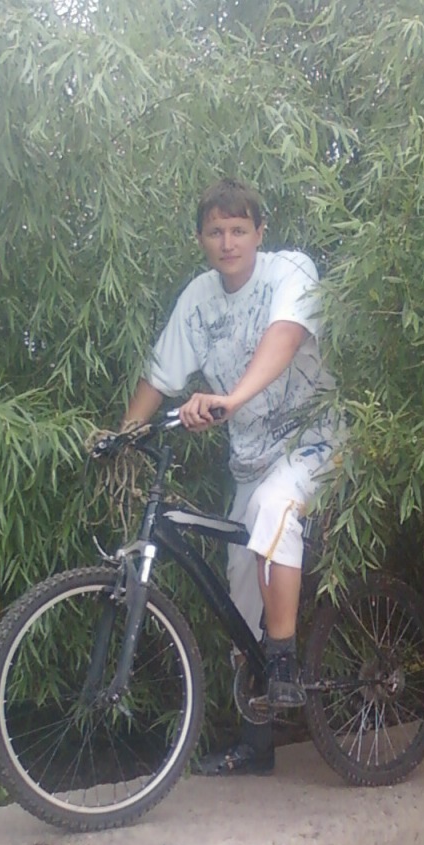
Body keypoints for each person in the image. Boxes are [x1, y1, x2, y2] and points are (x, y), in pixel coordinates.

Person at [123, 178, 337, 775]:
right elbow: (160, 374)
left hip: (314, 439)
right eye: (215, 231)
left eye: (239, 229)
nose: (227, 242)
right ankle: (256, 743)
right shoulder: (198, 299)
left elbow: (285, 338)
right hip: (251, 459)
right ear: (200, 238)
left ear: (260, 233)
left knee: (274, 508)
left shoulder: (290, 271)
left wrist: (228, 399)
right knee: (239, 594)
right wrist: (124, 436)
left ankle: (284, 660)